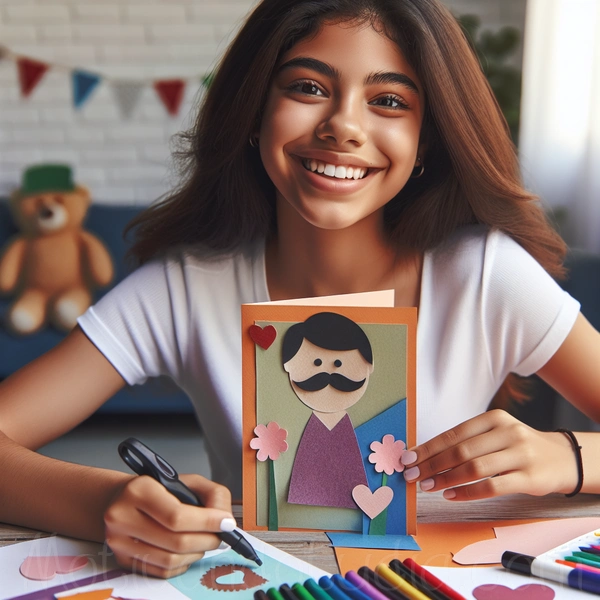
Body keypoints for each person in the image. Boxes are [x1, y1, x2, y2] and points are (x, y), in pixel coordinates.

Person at [1, 0, 599, 580]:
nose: (343, 125)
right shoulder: (184, 288)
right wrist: (108, 501)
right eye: (308, 87)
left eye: (388, 101)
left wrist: (566, 458)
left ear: (428, 140)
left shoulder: (487, 275)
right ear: (253, 111)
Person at [282, 312, 372, 508]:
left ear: (369, 367)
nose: (329, 372)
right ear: (288, 366)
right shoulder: (312, 428)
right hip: (295, 515)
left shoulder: (345, 428)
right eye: (316, 362)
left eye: (339, 363)